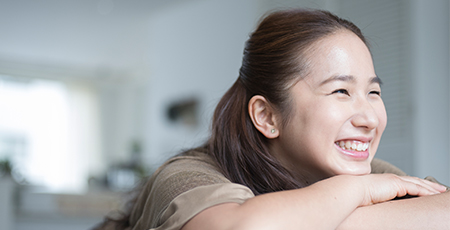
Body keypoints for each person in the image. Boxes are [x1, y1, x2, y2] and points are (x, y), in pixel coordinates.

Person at [95, 8, 449, 230]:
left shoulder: (372, 172)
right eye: (341, 91)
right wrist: (358, 191)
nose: (370, 118)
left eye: (373, 92)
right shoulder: (187, 176)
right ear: (267, 116)